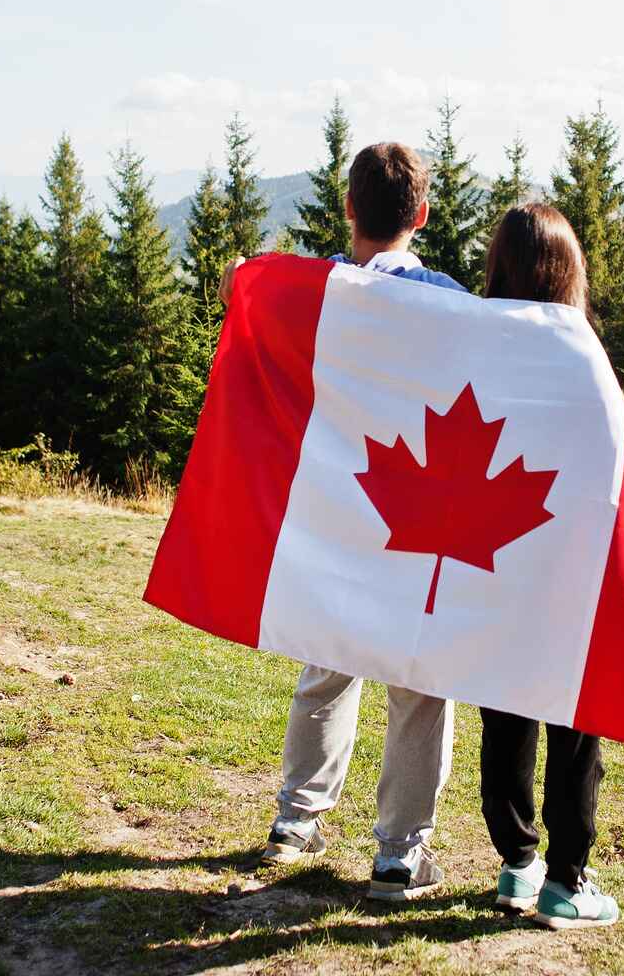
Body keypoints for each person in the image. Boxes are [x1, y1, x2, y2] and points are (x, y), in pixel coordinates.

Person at [223, 141, 464, 902]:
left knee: (326, 662)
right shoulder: (452, 301)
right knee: (419, 681)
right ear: (421, 215)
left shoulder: (316, 291)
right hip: (418, 513)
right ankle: (400, 852)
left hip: (332, 511)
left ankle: (296, 821)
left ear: (349, 209)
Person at [477, 203, 620, 930]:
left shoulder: (478, 338)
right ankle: (566, 878)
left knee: (503, 704)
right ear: (569, 272)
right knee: (574, 717)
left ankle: (516, 863)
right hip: (569, 561)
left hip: (493, 555)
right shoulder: (580, 348)